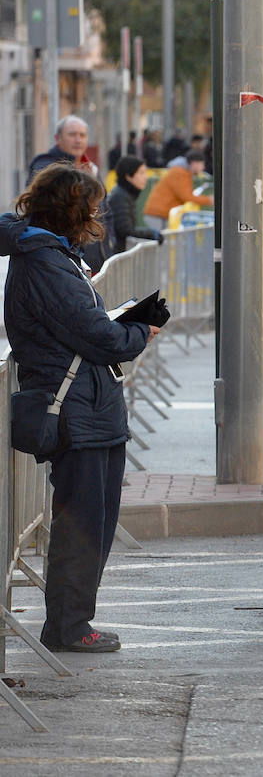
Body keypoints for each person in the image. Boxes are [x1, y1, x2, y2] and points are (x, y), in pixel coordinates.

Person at [2, 166, 164, 653]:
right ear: (72, 211)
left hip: (90, 405)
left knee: (95, 521)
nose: (97, 215)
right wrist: (141, 331)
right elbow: (97, 335)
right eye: (91, 207)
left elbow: (87, 325)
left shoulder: (52, 255)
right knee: (82, 524)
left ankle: (75, 621)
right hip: (74, 408)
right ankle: (69, 627)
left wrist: (121, 325)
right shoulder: (45, 262)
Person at [144, 151, 213, 231]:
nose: (203, 167)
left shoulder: (182, 172)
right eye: (202, 164)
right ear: (194, 163)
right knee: (163, 241)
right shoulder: (180, 173)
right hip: (158, 215)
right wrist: (208, 200)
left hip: (161, 215)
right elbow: (186, 197)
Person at [105, 156, 161, 254]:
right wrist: (150, 234)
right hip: (114, 253)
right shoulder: (119, 196)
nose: (145, 177)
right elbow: (125, 230)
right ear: (128, 176)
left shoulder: (126, 194)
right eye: (141, 173)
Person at [28, 115, 96, 182]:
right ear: (58, 138)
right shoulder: (45, 165)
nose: (78, 140)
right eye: (72, 134)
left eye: (82, 135)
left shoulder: (92, 168)